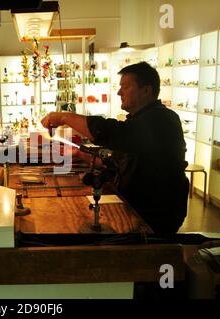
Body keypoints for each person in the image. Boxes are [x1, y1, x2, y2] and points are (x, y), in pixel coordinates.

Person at [41, 62, 189, 234]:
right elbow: (119, 159)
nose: (119, 93)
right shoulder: (140, 120)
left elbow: (109, 132)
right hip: (136, 207)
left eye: (125, 87)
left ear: (146, 91)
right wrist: (81, 155)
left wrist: (63, 117)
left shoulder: (161, 119)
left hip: (154, 215)